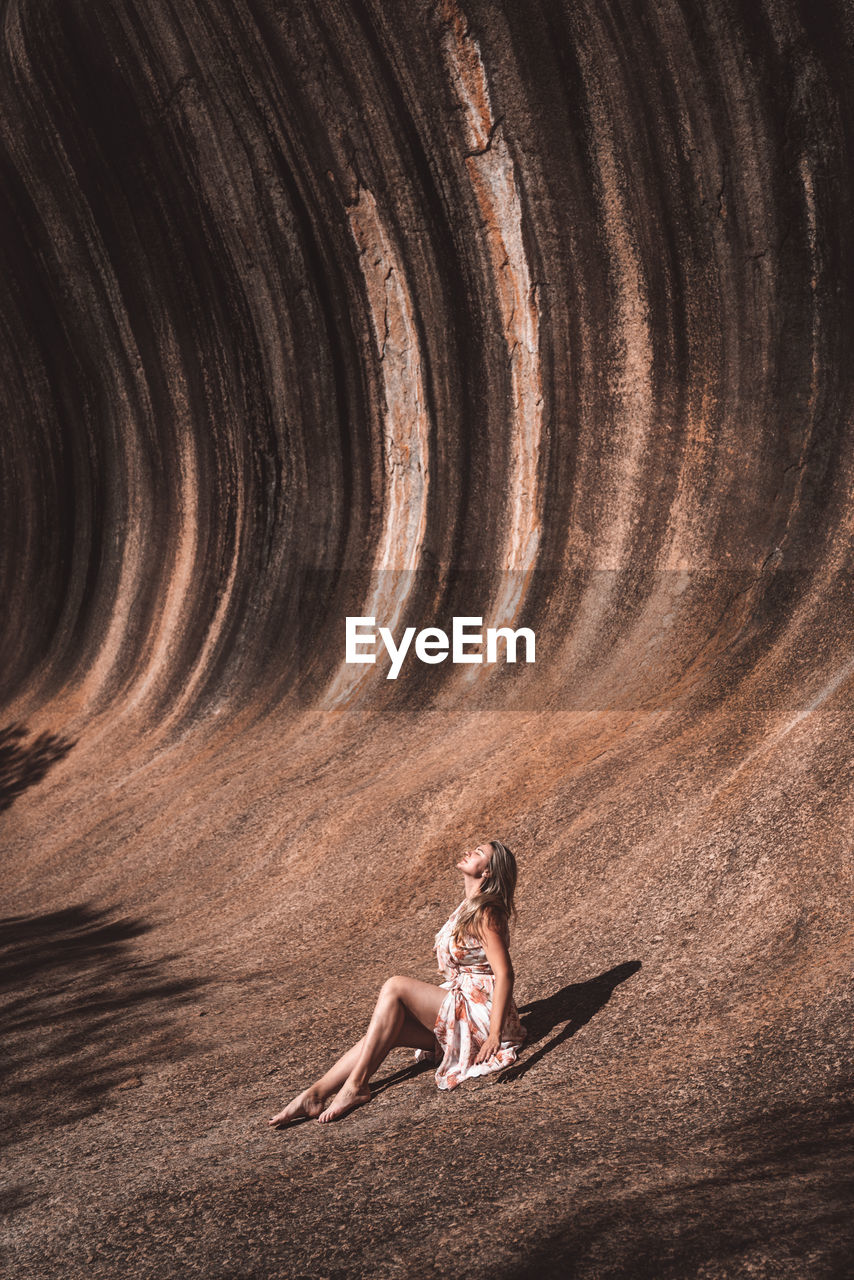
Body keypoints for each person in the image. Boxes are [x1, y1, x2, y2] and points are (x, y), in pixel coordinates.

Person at [268, 839, 526, 1126]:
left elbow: (505, 974)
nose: (469, 851)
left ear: (488, 872)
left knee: (395, 986)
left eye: (478, 853)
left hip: (482, 1014)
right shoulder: (469, 906)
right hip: (464, 1005)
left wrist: (493, 1036)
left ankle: (355, 1087)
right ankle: (314, 1095)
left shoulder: (486, 912)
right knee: (383, 1033)